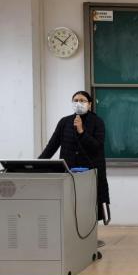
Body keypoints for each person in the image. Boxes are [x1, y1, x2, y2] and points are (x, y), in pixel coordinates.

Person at [39, 91, 110, 246]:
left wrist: (81, 131)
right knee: (70, 206)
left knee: (89, 206)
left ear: (89, 104)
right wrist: (38, 164)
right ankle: (73, 239)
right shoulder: (64, 122)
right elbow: (52, 146)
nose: (79, 103)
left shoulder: (97, 122)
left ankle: (89, 240)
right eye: (75, 100)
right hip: (69, 172)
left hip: (90, 172)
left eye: (82, 100)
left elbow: (97, 147)